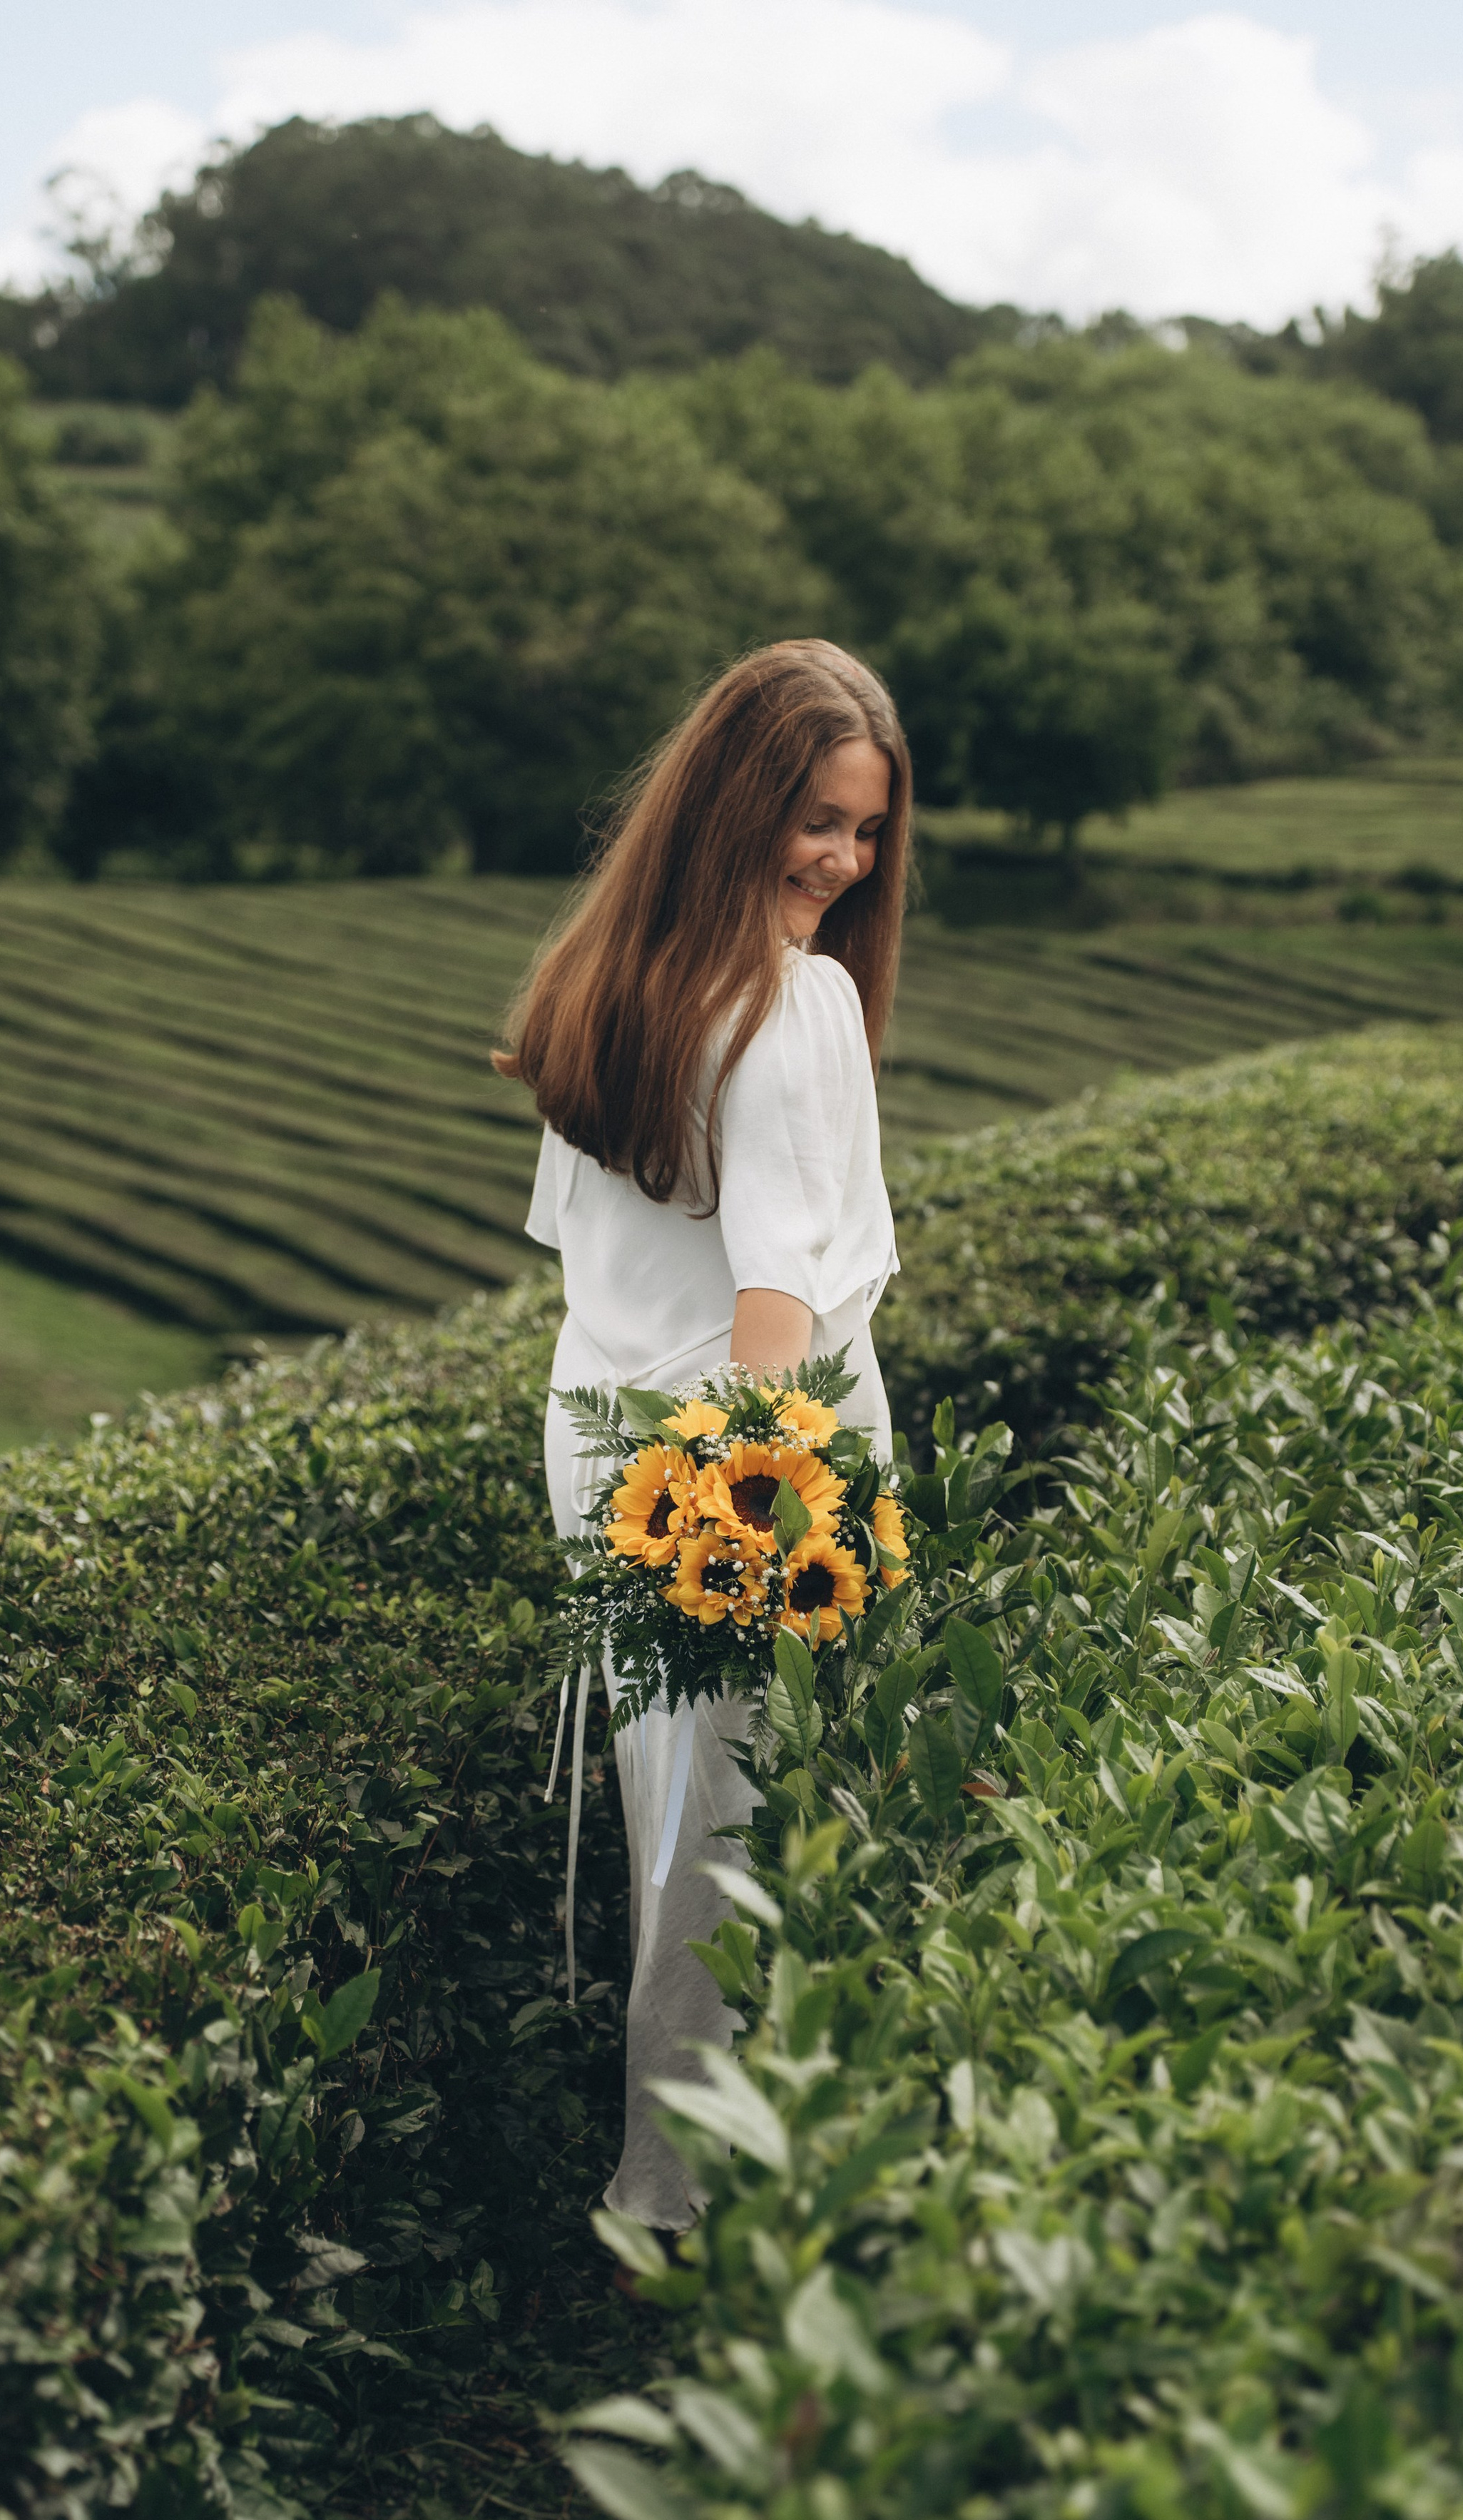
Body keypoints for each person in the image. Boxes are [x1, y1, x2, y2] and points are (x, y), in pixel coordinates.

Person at [492, 640, 911, 2229]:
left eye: (864, 832)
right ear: (734, 803)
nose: (841, 864)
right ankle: (676, 2204)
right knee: (745, 1840)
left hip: (609, 1434)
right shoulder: (789, 999)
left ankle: (697, 2179)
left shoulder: (608, 970)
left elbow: (580, 1255)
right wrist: (764, 1491)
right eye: (812, 819)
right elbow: (772, 1303)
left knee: (678, 1824)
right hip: (744, 1455)